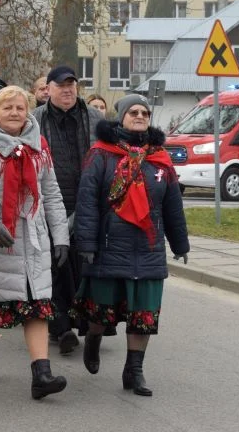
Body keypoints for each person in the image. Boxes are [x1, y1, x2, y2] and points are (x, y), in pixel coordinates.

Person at [73, 94, 190, 397]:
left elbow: (173, 206)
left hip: (149, 249)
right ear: (121, 116)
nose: (140, 116)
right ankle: (94, 341)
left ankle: (134, 371)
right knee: (100, 314)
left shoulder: (160, 159)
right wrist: (86, 242)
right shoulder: (101, 154)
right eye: (133, 112)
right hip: (109, 247)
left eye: (145, 113)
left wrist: (180, 244)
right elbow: (86, 201)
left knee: (144, 315)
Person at [0, 85, 70, 400]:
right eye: (7, 108)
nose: (14, 113)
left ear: (28, 111)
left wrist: (61, 236)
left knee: (37, 304)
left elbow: (51, 192)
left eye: (20, 108)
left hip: (33, 237)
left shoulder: (39, 145)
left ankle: (42, 373)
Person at [32, 65, 105, 354]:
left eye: (72, 85)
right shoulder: (35, 120)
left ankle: (82, 320)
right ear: (47, 89)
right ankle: (60, 326)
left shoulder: (95, 118)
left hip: (85, 202)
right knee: (53, 265)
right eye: (61, 85)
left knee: (81, 264)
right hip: (48, 203)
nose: (67, 90)